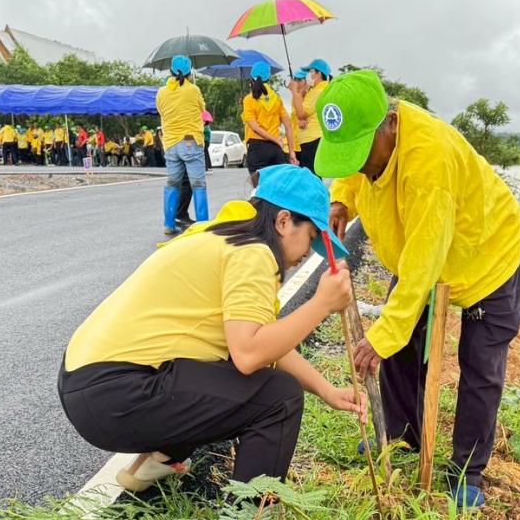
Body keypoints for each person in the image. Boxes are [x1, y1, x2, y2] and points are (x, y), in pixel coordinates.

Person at [58, 164, 364, 494]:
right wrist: (321, 304)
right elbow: (250, 354)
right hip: (116, 393)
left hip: (86, 385)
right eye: (311, 238)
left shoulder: (223, 237)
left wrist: (327, 390)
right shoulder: (254, 254)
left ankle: (155, 462)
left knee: (228, 366)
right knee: (279, 396)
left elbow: (266, 344)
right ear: (284, 221)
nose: (306, 254)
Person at [319, 69, 520, 509]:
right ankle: (402, 435)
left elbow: (423, 263)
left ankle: (467, 470)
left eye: (362, 152)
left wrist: (382, 335)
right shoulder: (373, 139)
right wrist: (342, 197)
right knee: (401, 347)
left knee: (480, 366)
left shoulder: (429, 163)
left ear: (391, 124)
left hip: (485, 253)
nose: (358, 165)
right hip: (421, 250)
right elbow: (353, 168)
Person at [156, 54, 208, 234]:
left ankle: (169, 224)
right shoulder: (193, 89)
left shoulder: (161, 92)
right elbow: (202, 109)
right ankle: (202, 225)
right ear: (188, 72)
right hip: (190, 141)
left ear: (170, 70)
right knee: (198, 183)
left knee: (172, 183)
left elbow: (161, 111)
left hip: (170, 142)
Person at [241, 60, 296, 183]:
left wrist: (275, 139)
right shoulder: (276, 99)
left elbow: (255, 127)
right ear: (269, 78)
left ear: (251, 79)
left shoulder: (249, 99)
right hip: (276, 150)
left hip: (257, 149)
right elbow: (288, 126)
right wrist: (292, 151)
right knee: (277, 187)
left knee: (260, 188)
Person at [294, 58, 330, 174]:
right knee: (311, 175)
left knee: (311, 176)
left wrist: (295, 93)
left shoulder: (318, 91)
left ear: (318, 74)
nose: (308, 75)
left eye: (311, 72)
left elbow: (301, 113)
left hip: (312, 139)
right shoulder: (316, 90)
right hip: (311, 139)